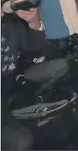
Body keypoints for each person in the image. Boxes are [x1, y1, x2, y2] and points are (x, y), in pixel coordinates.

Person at [1, 8, 45, 151]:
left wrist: (34, 22)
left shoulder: (10, 28)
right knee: (21, 140)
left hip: (9, 90)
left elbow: (36, 47)